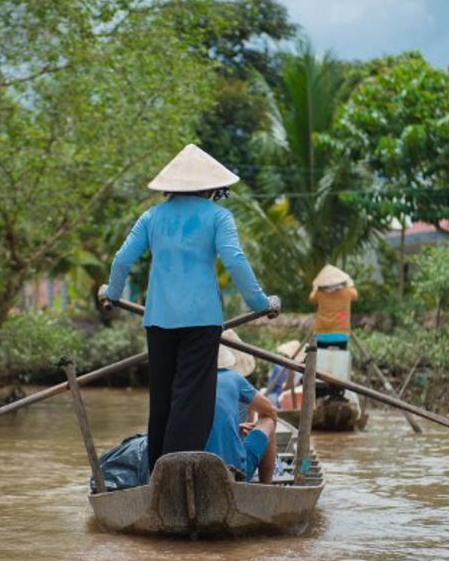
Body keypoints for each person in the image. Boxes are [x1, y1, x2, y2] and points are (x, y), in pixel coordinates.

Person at [100, 144, 279, 472]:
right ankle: (179, 474)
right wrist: (262, 303)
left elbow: (121, 260)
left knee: (163, 403)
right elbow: (235, 261)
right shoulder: (218, 217)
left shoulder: (152, 217)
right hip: (201, 322)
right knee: (192, 403)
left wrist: (110, 292)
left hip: (158, 321)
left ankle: (158, 474)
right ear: (212, 187)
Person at [207, 330, 277, 482]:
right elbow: (271, 411)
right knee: (269, 420)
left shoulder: (186, 382)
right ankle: (267, 487)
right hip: (234, 472)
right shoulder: (234, 378)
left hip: (194, 470)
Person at [309, 264, 357, 349]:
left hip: (322, 332)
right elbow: (355, 295)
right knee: (340, 359)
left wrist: (316, 288)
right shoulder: (348, 292)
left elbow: (311, 298)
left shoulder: (319, 293)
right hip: (341, 332)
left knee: (321, 358)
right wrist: (348, 283)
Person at [264, 339, 303, 407]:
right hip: (281, 396)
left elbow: (271, 387)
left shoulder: (280, 368)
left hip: (285, 397)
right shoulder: (280, 368)